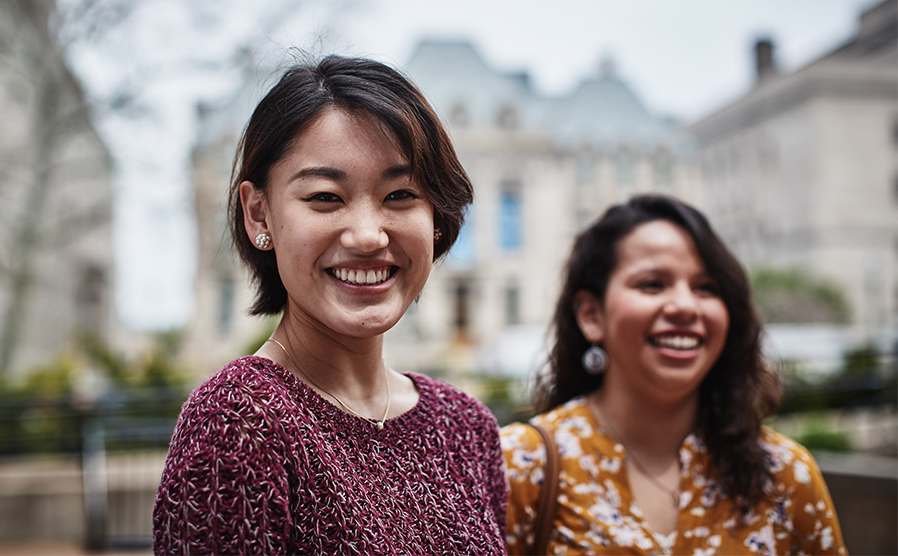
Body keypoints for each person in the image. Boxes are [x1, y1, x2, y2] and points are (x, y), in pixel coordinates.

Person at [153, 55, 507, 555]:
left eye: (401, 194)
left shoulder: (467, 427)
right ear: (259, 213)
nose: (367, 234)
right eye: (325, 197)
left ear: (438, 216)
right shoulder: (239, 423)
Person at [501, 194, 847, 555]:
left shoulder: (784, 474)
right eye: (652, 284)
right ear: (591, 314)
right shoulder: (522, 466)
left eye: (706, 288)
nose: (684, 306)